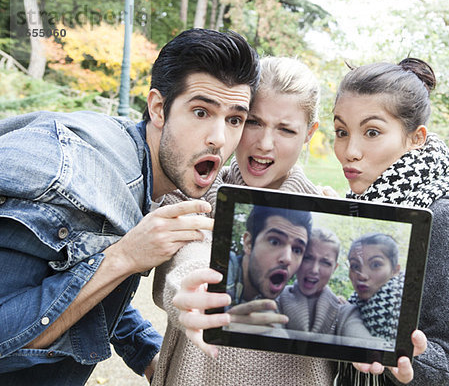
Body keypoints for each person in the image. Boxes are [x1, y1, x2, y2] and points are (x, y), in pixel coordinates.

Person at [0, 28, 260, 385]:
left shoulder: (137, 163)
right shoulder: (79, 187)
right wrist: (123, 257)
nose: (219, 138)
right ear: (158, 108)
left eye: (235, 119)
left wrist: (147, 354)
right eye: (201, 112)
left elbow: (74, 275)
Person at [155, 56, 426, 386]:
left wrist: (370, 345)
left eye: (285, 129)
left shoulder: (328, 210)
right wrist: (192, 290)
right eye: (253, 122)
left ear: (309, 133)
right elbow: (190, 254)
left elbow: (337, 309)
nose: (265, 144)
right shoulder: (193, 192)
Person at [332, 58, 449, 385]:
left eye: (372, 132)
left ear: (415, 138)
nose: (350, 150)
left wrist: (406, 361)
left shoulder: (440, 219)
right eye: (341, 131)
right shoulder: (365, 206)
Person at [277, 228, 373, 339]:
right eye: (307, 258)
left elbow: (363, 343)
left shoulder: (345, 312)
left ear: (334, 269)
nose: (314, 269)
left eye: (325, 263)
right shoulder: (275, 299)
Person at [346, 233, 404, 342]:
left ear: (395, 270)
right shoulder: (352, 303)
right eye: (355, 266)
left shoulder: (403, 304)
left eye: (376, 265)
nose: (362, 275)